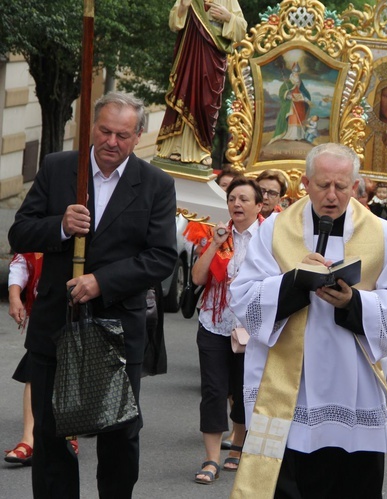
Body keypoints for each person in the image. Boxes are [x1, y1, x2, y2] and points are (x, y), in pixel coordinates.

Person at [8, 92, 177, 497]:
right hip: (56, 326)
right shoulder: (59, 167)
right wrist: (60, 226)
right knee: (51, 433)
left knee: (120, 434)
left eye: (122, 134)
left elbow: (161, 257)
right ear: (92, 128)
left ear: (138, 136)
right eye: (104, 131)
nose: (111, 142)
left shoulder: (156, 184)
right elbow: (20, 231)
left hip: (118, 329)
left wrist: (103, 281)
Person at [228, 143, 387, 497]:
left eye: (341, 186)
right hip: (288, 386)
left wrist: (354, 302)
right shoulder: (274, 230)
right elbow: (243, 295)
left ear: (356, 185)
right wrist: (294, 283)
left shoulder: (382, 234)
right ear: (304, 183)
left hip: (354, 384)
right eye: (322, 185)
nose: (332, 195)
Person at [190, 178, 263, 484]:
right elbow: (196, 278)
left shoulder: (269, 238)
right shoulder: (217, 234)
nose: (237, 204)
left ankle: (239, 446)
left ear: (259, 206)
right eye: (232, 198)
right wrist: (216, 244)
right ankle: (211, 458)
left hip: (250, 327)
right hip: (214, 322)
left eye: (244, 199)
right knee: (213, 390)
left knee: (243, 390)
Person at [156, 0, 247, 166]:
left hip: (212, 57)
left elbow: (241, 29)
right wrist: (183, 6)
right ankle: (176, 147)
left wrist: (228, 17)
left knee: (205, 103)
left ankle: (201, 149)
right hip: (189, 56)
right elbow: (174, 23)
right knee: (185, 93)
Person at [5, 253, 42, 467]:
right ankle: (28, 439)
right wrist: (14, 296)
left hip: (80, 303)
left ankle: (69, 435)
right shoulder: (42, 221)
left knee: (71, 369)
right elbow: (22, 259)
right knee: (34, 367)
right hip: (44, 307)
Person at [270, 63, 313, 143]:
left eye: (297, 73)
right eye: (295, 73)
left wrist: (307, 100)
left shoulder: (300, 81)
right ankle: (292, 135)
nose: (296, 74)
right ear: (293, 73)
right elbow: (282, 92)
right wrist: (288, 95)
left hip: (300, 103)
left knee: (300, 117)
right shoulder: (288, 82)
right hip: (292, 104)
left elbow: (303, 92)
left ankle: (300, 135)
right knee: (293, 117)